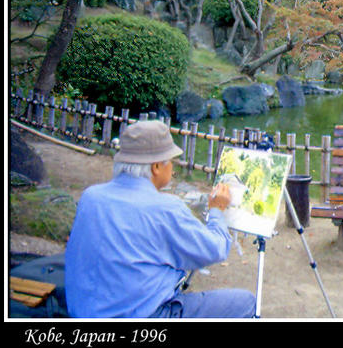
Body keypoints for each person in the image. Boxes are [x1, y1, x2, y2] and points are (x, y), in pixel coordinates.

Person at [64, 120, 256, 318]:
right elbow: (216, 249)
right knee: (246, 302)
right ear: (156, 166)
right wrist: (217, 210)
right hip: (140, 316)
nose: (172, 167)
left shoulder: (91, 197)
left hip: (83, 311)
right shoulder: (165, 208)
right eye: (170, 160)